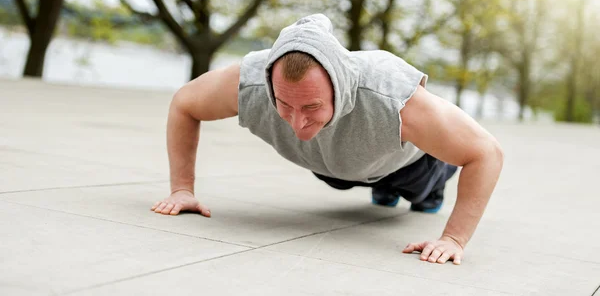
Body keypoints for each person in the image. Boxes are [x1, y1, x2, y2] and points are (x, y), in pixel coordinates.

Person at [152, 14, 503, 265]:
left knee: (419, 193)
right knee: (341, 175)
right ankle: (377, 186)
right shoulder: (251, 84)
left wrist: (453, 238)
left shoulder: (390, 95)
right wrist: (182, 188)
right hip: (335, 165)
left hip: (412, 166)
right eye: (284, 105)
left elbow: (486, 153)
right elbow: (185, 103)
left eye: (312, 106)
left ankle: (418, 189)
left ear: (340, 87)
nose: (298, 122)